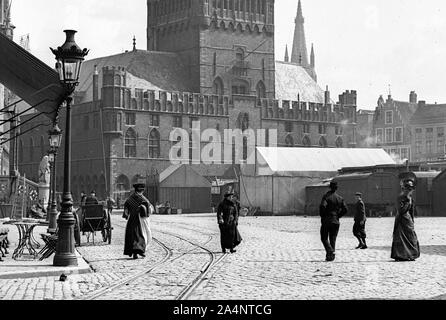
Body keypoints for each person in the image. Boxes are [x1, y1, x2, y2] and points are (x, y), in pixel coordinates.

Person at [391, 178, 420, 262]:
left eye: (410, 189)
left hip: (408, 221)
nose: (409, 191)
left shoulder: (410, 198)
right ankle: (400, 256)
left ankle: (411, 255)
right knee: (400, 238)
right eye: (407, 188)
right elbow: (401, 211)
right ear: (403, 189)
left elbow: (412, 211)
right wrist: (407, 202)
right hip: (401, 220)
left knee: (411, 238)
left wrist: (412, 221)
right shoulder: (400, 198)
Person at [123, 183, 153, 259]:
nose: (142, 192)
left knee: (133, 236)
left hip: (132, 220)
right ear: (140, 191)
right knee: (140, 235)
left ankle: (136, 253)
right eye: (141, 190)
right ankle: (140, 251)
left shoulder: (130, 198)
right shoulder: (143, 198)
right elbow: (150, 208)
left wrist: (126, 214)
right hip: (140, 220)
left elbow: (126, 207)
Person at [319, 181, 348, 262]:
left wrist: (323, 216)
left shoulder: (326, 197)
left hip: (326, 220)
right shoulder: (340, 198)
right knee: (333, 238)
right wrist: (338, 216)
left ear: (329, 187)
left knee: (324, 238)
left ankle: (330, 251)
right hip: (336, 220)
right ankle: (330, 257)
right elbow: (345, 209)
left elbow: (322, 206)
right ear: (336, 188)